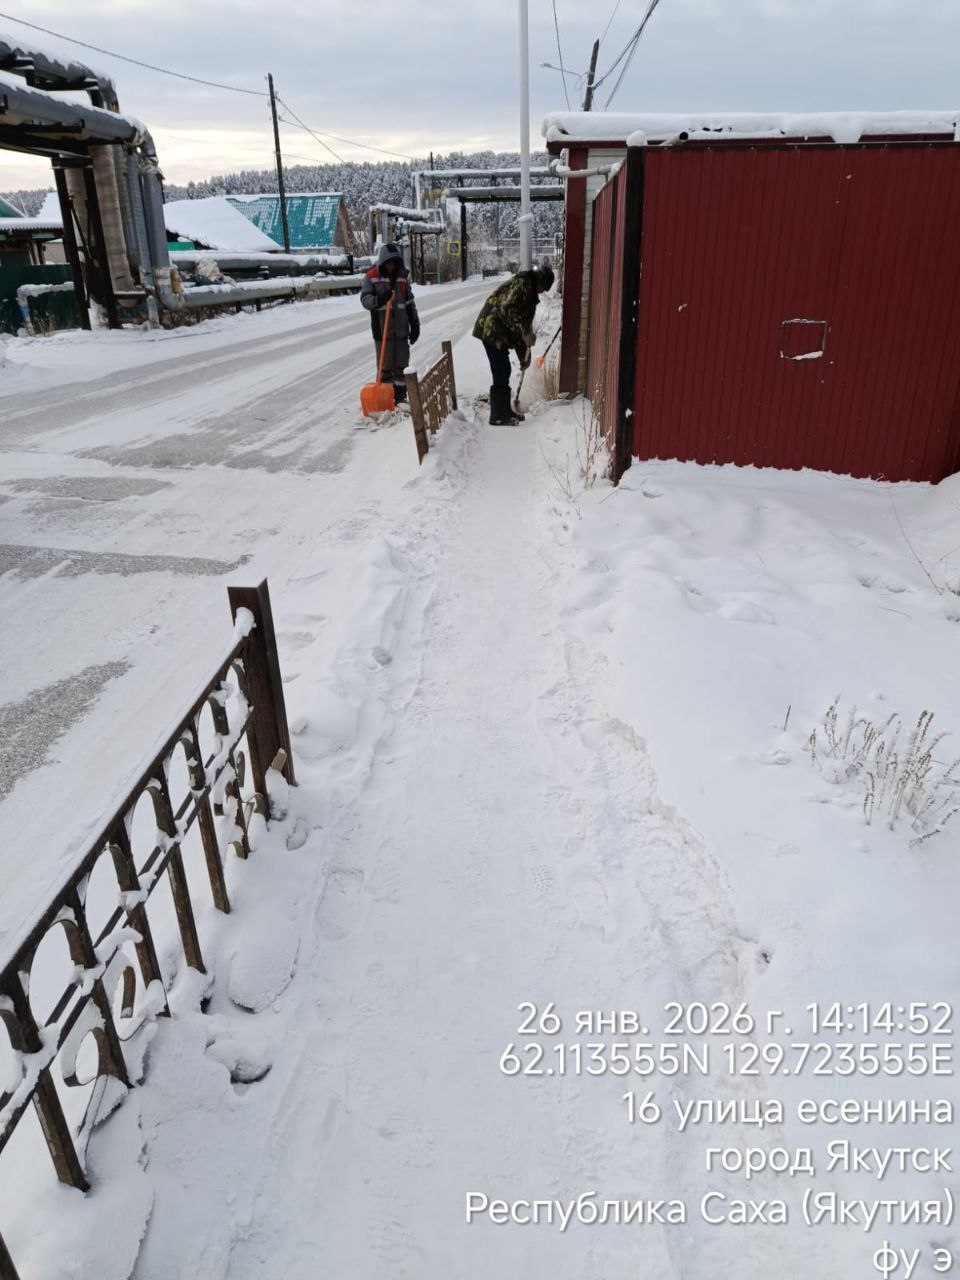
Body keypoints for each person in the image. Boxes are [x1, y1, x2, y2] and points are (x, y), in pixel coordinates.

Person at [473, 261, 555, 425]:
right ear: (538, 281)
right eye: (543, 288)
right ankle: (497, 415)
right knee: (501, 369)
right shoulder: (522, 285)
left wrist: (525, 357)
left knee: (504, 368)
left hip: (500, 333)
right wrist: (525, 333)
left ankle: (505, 410)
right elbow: (506, 310)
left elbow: (522, 327)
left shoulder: (530, 292)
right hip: (491, 329)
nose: (542, 292)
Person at [360, 242, 420, 403]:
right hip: (382, 331)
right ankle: (385, 399)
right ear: (383, 262)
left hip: (401, 330)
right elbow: (365, 300)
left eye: (394, 262)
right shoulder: (372, 276)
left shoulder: (401, 277)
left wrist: (415, 324)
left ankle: (400, 397)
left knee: (402, 366)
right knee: (385, 367)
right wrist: (379, 299)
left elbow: (409, 303)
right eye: (388, 263)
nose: (391, 266)